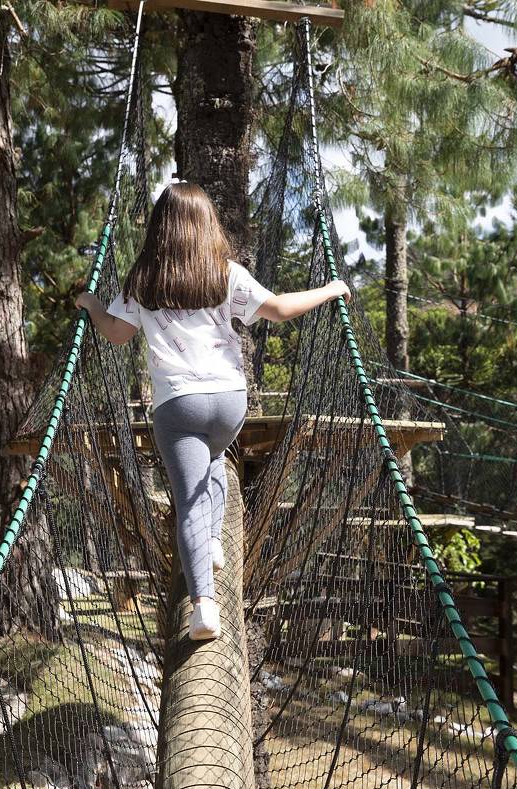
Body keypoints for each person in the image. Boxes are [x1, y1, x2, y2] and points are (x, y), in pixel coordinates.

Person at [75, 181, 350, 641]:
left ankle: (203, 605)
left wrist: (92, 305)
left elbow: (117, 334)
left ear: (161, 228)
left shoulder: (144, 278)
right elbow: (281, 309)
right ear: (207, 225)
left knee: (188, 504)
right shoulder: (225, 273)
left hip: (178, 405)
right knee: (217, 460)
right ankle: (216, 543)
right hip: (229, 403)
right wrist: (332, 287)